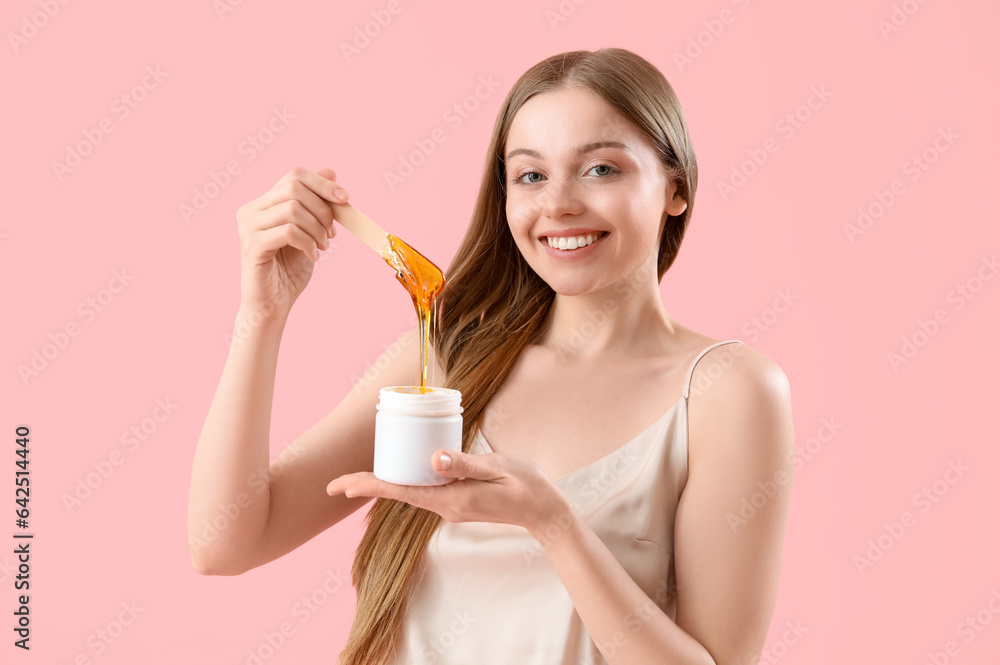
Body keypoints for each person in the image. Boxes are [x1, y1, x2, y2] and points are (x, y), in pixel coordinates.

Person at [188, 47, 795, 665]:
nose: (558, 205)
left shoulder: (727, 391)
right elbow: (225, 542)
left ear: (676, 187)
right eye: (530, 176)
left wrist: (553, 524)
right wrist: (262, 315)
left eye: (601, 170)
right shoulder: (448, 360)